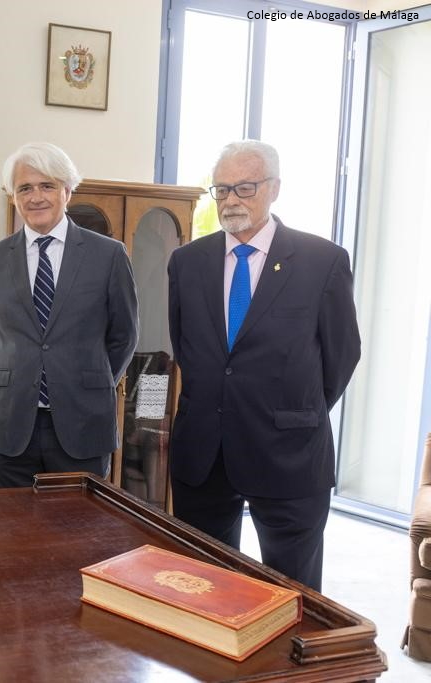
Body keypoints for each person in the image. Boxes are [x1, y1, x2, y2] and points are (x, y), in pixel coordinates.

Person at [167, 140, 361, 591]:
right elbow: (189, 350)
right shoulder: (187, 262)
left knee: (293, 594)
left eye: (245, 188)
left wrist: (294, 409)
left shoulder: (322, 262)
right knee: (201, 585)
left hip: (289, 451)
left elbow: (341, 355)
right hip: (204, 452)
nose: (231, 200)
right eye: (221, 190)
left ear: (274, 188)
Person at [0, 142, 139, 488]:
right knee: (10, 533)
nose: (36, 197)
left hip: (83, 423)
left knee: (80, 535)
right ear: (13, 196)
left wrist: (88, 379)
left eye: (46, 185)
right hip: (10, 426)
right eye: (24, 188)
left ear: (67, 190)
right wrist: (23, 370)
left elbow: (124, 335)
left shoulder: (108, 255)